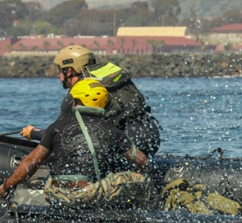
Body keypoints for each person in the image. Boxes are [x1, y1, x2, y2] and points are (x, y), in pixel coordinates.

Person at [0, 79, 151, 208]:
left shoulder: (56, 126)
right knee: (141, 180)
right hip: (90, 195)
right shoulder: (112, 130)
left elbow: (32, 162)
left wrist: (7, 186)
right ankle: (142, 214)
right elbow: (142, 161)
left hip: (57, 194)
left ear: (77, 102)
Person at [21, 44, 161, 155]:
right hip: (151, 138)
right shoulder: (112, 78)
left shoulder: (79, 94)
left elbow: (58, 135)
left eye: (60, 70)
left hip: (126, 146)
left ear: (68, 71)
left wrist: (33, 132)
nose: (58, 75)